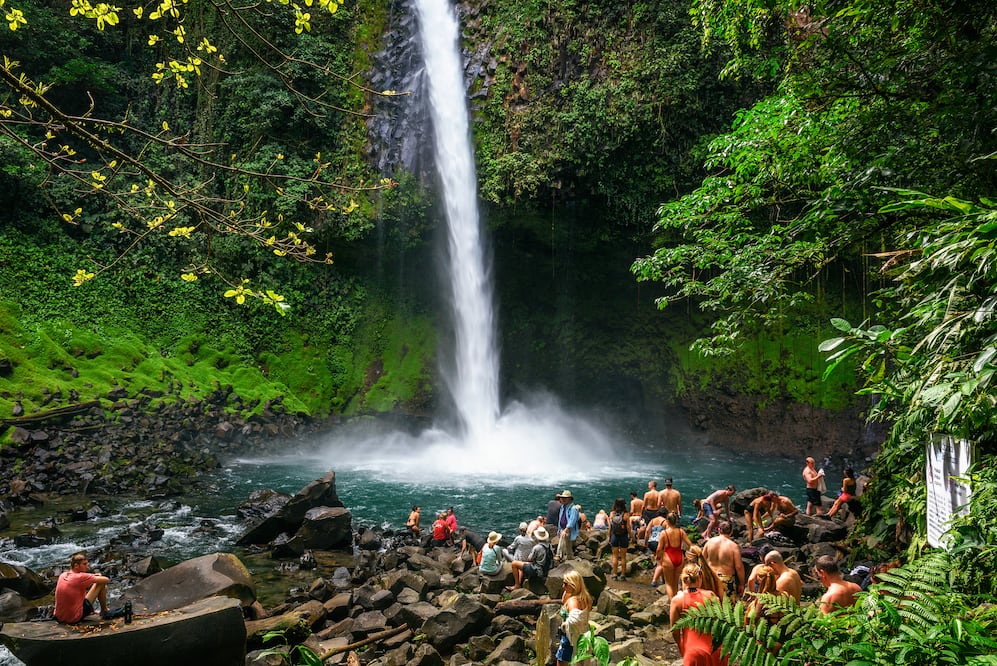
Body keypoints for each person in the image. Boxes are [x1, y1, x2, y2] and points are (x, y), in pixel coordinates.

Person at [669, 564, 722, 666]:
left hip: (692, 650)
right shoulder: (711, 595)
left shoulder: (677, 600)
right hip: (714, 650)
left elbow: (675, 631)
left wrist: (682, 648)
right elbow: (720, 623)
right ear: (700, 578)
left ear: (683, 580)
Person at [54, 551, 110, 623]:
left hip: (59, 617)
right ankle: (104, 610)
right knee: (101, 583)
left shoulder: (63, 575)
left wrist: (92, 577)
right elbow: (106, 579)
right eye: (84, 564)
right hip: (74, 618)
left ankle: (101, 610)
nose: (87, 566)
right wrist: (97, 576)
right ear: (76, 566)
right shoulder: (80, 577)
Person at [556, 569, 593, 666]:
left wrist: (564, 625)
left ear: (573, 585)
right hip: (583, 635)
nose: (563, 586)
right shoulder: (584, 598)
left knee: (561, 662)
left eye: (565, 584)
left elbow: (575, 619)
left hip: (570, 638)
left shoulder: (573, 601)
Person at [653, 512, 692, 599]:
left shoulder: (664, 533)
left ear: (667, 521)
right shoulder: (681, 531)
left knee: (669, 584)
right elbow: (690, 544)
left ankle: (672, 604)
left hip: (668, 557)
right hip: (679, 557)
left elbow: (659, 548)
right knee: (675, 583)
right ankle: (676, 601)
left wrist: (657, 556)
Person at [702, 521, 745, 599]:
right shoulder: (733, 546)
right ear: (731, 532)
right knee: (728, 606)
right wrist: (742, 583)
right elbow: (739, 567)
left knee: (712, 605)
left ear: (719, 530)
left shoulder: (709, 542)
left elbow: (702, 560)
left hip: (711, 577)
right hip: (726, 579)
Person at [608, 497, 629, 580]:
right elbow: (628, 527)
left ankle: (614, 574)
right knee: (623, 556)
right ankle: (623, 575)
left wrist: (609, 536)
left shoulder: (612, 513)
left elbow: (610, 527)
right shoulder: (626, 514)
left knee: (615, 556)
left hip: (614, 535)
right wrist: (631, 536)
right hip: (623, 536)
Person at [555, 490, 580, 561]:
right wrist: (559, 529)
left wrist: (565, 530)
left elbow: (572, 521)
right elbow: (560, 518)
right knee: (568, 545)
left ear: (569, 499)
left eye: (565, 498)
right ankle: (570, 557)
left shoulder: (573, 508)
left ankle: (558, 555)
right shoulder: (563, 507)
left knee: (563, 541)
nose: (563, 499)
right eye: (562, 498)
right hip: (563, 528)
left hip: (568, 529)